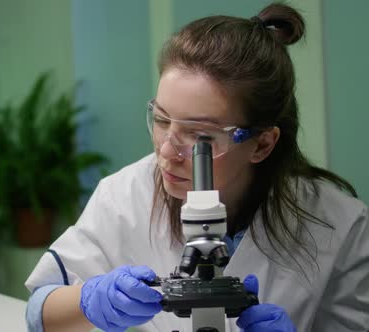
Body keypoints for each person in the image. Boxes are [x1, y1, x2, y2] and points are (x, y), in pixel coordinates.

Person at [24, 3, 369, 332]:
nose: (168, 152)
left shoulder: (338, 223)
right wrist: (88, 302)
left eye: (200, 135)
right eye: (161, 120)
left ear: (262, 143)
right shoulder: (126, 194)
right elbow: (39, 312)